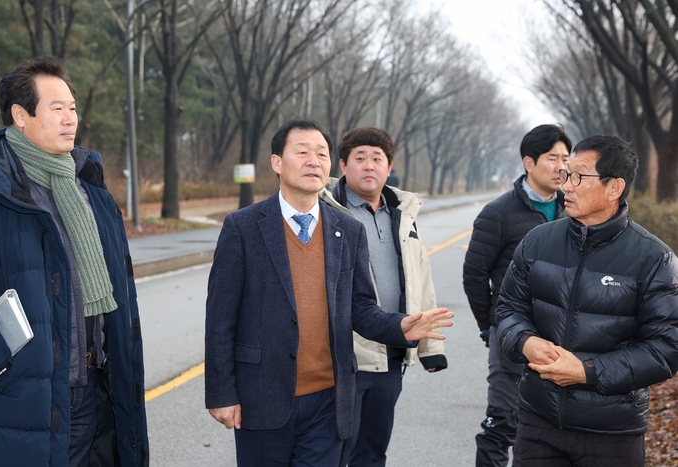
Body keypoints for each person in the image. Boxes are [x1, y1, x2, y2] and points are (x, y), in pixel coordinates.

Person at [204, 119, 453, 466]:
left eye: (321, 153)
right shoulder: (243, 227)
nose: (313, 161)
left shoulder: (347, 230)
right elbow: (220, 319)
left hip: (329, 401)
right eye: (302, 152)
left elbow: (360, 305)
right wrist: (221, 394)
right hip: (263, 397)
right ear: (277, 162)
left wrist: (398, 327)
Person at [0, 56, 148, 466]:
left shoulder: (92, 194)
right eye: (57, 108)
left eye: (72, 108)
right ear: (21, 115)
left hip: (98, 389)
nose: (70, 118)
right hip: (27, 396)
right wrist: (1, 368)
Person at [496, 135, 678, 466]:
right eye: (565, 175)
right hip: (538, 421)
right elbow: (508, 309)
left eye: (579, 176)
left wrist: (586, 371)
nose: (567, 185)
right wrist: (525, 341)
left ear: (614, 188)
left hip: (611, 432)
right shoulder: (537, 242)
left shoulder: (654, 259)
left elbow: (666, 348)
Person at [319, 127, 447, 466]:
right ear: (343, 166)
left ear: (389, 167)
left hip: (391, 355)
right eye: (359, 159)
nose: (369, 166)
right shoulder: (328, 212)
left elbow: (421, 279)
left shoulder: (402, 215)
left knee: (374, 451)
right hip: (344, 358)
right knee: (338, 451)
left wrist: (430, 349)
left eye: (377, 159)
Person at [462, 124, 571, 467]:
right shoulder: (499, 212)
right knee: (503, 421)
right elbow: (475, 274)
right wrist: (491, 324)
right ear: (529, 162)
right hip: (512, 332)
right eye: (552, 158)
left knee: (552, 427)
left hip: (563, 337)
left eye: (566, 159)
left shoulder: (575, 209)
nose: (561, 167)